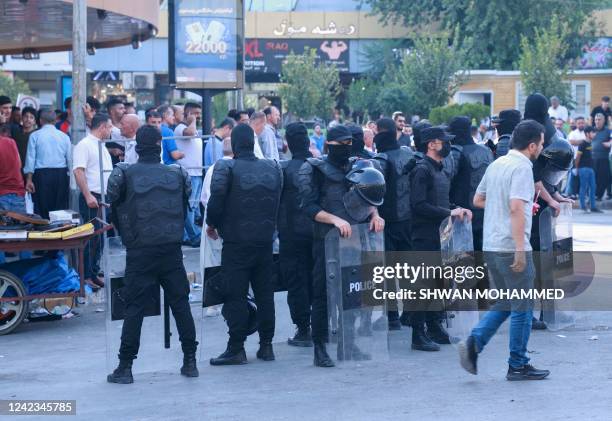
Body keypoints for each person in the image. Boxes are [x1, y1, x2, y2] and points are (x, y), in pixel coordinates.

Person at [106, 124, 199, 384]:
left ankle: (125, 368)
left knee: (134, 307)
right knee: (180, 304)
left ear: (137, 145)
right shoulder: (178, 173)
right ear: (160, 145)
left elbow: (112, 201)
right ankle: (190, 361)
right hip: (171, 250)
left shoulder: (124, 172)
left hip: (140, 251)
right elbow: (186, 200)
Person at [459, 119, 550, 381]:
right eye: (541, 145)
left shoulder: (497, 164)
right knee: (522, 306)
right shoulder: (522, 168)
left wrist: (513, 207)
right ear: (532, 146)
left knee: (506, 302)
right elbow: (513, 208)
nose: (541, 149)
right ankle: (518, 364)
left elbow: (478, 200)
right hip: (511, 247)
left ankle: (473, 344)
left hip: (491, 244)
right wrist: (521, 249)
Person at [298, 125, 385, 367]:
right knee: (323, 296)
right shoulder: (313, 169)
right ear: (329, 145)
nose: (346, 149)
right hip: (326, 241)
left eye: (350, 144)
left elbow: (369, 194)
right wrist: (335, 220)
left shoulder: (358, 165)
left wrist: (375, 215)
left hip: (355, 241)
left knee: (353, 296)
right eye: (341, 145)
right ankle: (319, 347)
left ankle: (349, 342)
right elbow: (308, 206)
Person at [206, 124, 283, 365]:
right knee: (265, 294)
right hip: (263, 241)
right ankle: (267, 345)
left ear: (235, 144)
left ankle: (236, 347)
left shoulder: (226, 167)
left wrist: (212, 224)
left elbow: (216, 200)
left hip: (237, 242)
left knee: (235, 295)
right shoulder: (272, 167)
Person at [410, 126, 472, 351]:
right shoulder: (421, 170)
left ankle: (434, 325)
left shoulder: (441, 168)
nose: (447, 145)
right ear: (431, 144)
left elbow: (441, 201)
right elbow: (419, 205)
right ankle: (418, 334)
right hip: (424, 236)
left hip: (441, 236)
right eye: (442, 141)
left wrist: (458, 209)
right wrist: (448, 213)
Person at [373, 117, 416, 330]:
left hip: (387, 220)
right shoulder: (409, 154)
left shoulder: (380, 159)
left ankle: (392, 316)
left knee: (389, 272)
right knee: (407, 270)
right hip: (408, 219)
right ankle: (408, 312)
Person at [277, 123, 315, 347]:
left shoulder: (283, 170)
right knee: (317, 279)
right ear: (308, 142)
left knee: (296, 281)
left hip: (291, 234)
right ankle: (319, 324)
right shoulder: (319, 166)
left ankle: (303, 328)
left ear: (289, 144)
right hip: (318, 232)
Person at [72, 113, 114, 290]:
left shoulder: (100, 145)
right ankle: (87, 275)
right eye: (110, 127)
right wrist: (88, 195)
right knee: (92, 238)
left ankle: (94, 272)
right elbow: (79, 171)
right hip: (93, 197)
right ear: (102, 127)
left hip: (103, 197)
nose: (111, 130)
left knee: (101, 239)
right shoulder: (84, 145)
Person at [448, 116, 494, 252]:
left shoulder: (456, 152)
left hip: (463, 212)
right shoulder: (486, 150)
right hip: (485, 208)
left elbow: (447, 181)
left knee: (464, 255)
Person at [23, 109, 71, 219]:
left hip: (41, 176)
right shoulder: (64, 137)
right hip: (61, 175)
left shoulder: (35, 135)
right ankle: (59, 233)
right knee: (60, 210)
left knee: (42, 209)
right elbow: (70, 160)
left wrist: (29, 180)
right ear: (55, 121)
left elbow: (30, 159)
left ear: (40, 121)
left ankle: (44, 233)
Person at [174, 102, 203, 247]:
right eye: (195, 113)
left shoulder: (192, 127)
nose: (198, 116)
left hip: (196, 172)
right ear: (188, 113)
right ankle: (194, 236)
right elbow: (189, 134)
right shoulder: (181, 128)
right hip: (188, 173)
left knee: (193, 206)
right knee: (189, 207)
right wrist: (192, 122)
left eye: (199, 113)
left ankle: (187, 236)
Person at [0, 133, 32, 264]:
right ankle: (25, 272)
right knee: (23, 234)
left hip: (1, 194)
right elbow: (19, 164)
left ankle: (3, 275)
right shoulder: (11, 142)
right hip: (18, 194)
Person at [575, 126, 602, 213]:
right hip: (583, 169)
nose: (594, 134)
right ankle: (583, 207)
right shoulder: (582, 144)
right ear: (587, 134)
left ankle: (593, 207)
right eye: (592, 132)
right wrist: (576, 169)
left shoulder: (591, 143)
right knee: (584, 187)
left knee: (593, 187)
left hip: (591, 169)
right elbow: (578, 157)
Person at [565, 116, 587, 199]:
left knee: (582, 177)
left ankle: (580, 194)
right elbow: (572, 142)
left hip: (585, 159)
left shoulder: (587, 132)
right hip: (574, 158)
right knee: (574, 176)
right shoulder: (573, 133)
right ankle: (572, 193)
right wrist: (584, 141)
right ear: (576, 124)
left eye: (582, 123)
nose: (581, 124)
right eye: (579, 123)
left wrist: (579, 142)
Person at [591, 113, 612, 200]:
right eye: (596, 119)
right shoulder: (591, 130)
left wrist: (610, 144)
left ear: (604, 121)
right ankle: (593, 195)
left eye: (599, 119)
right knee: (593, 178)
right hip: (592, 158)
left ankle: (599, 195)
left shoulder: (608, 131)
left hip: (604, 158)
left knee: (603, 178)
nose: (597, 121)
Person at [106, 98, 127, 165]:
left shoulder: (128, 125)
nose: (124, 110)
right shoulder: (105, 127)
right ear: (112, 111)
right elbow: (96, 147)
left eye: (124, 108)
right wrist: (111, 150)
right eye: (121, 108)